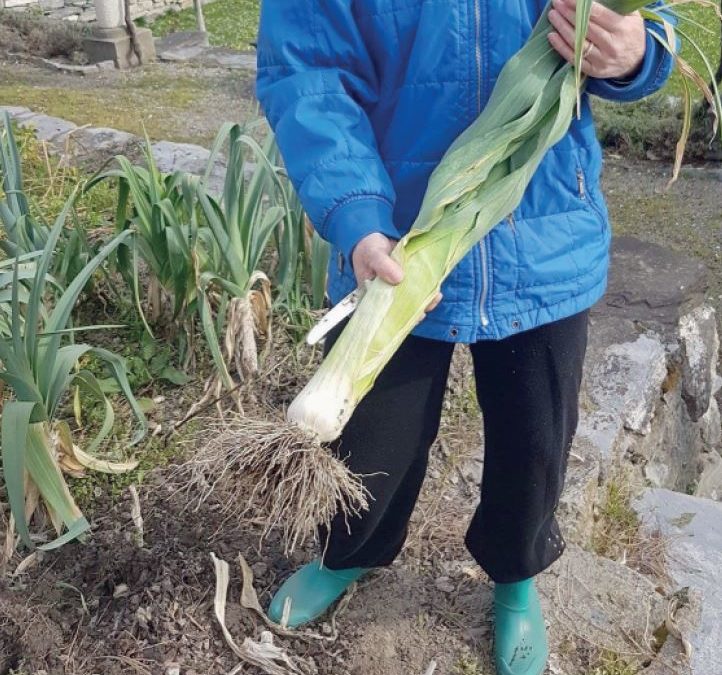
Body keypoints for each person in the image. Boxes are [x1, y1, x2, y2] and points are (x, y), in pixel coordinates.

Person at [255, 1, 673, 672]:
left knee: (535, 442)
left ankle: (516, 574)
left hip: (540, 239)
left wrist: (634, 53)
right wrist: (358, 217)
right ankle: (349, 554)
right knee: (371, 441)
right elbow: (306, 70)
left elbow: (651, 24)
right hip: (396, 238)